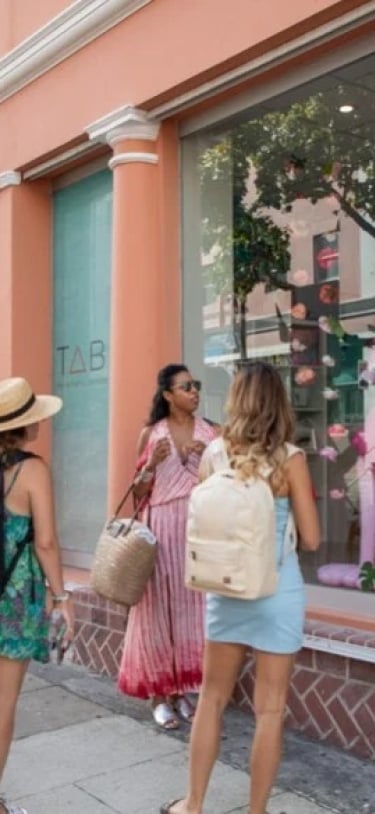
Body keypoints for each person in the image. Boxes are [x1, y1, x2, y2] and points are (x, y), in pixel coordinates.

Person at [161, 361, 320, 814]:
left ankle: (192, 804)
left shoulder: (214, 453)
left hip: (226, 589)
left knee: (211, 700)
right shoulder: (290, 458)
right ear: (278, 404)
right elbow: (310, 539)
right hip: (277, 591)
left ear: (238, 401)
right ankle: (257, 811)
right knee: (269, 711)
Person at [118, 364, 217, 730]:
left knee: (195, 609)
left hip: (199, 530)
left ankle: (186, 688)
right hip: (161, 529)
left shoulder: (211, 431)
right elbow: (138, 492)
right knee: (159, 611)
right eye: (186, 386)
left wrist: (208, 453)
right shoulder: (151, 434)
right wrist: (153, 464)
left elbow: (227, 479)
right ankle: (160, 694)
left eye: (196, 385)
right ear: (168, 395)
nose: (194, 391)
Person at [0, 377, 75, 814]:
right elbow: (45, 542)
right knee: (3, 704)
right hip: (13, 599)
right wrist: (62, 597)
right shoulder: (31, 469)